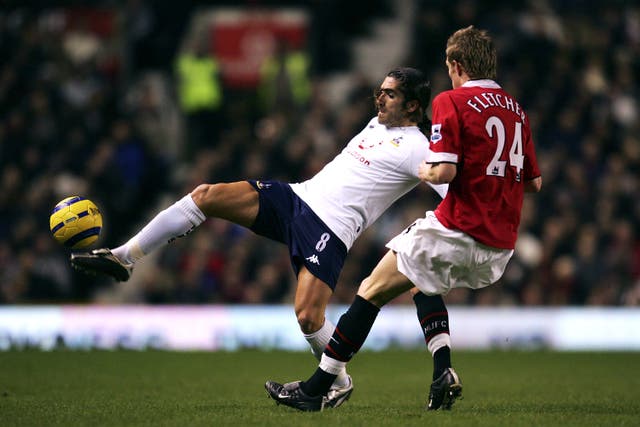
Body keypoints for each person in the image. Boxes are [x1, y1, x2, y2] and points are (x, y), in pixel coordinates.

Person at [70, 67, 448, 408]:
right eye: (380, 91)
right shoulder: (377, 123)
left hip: (331, 229)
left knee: (307, 317)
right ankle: (124, 257)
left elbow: (451, 192)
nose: (379, 98)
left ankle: (338, 381)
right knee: (206, 195)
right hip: (298, 198)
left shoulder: (420, 148)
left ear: (413, 106)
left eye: (390, 94)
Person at [265, 25, 542, 412]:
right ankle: (443, 370)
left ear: (457, 64)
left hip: (459, 227)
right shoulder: (516, 111)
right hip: (500, 243)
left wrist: (427, 172)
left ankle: (317, 389)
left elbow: (443, 171)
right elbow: (534, 183)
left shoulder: (451, 101)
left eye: (449, 66)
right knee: (421, 282)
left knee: (371, 290)